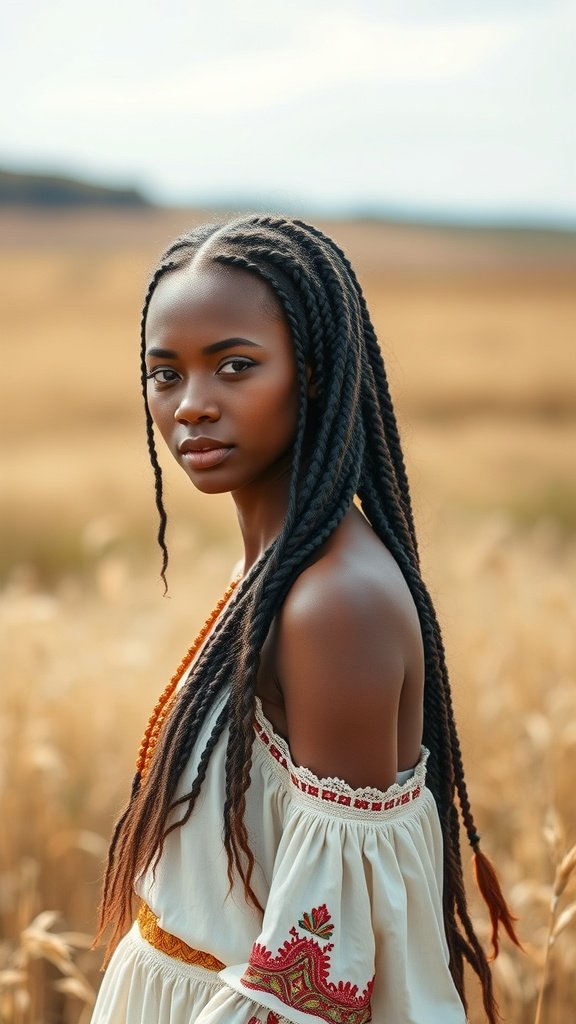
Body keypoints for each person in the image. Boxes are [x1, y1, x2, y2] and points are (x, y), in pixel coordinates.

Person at [91, 215, 519, 1024]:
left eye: (234, 366)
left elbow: (322, 976)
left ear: (315, 373)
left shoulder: (334, 604)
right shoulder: (279, 566)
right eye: (164, 373)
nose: (192, 406)